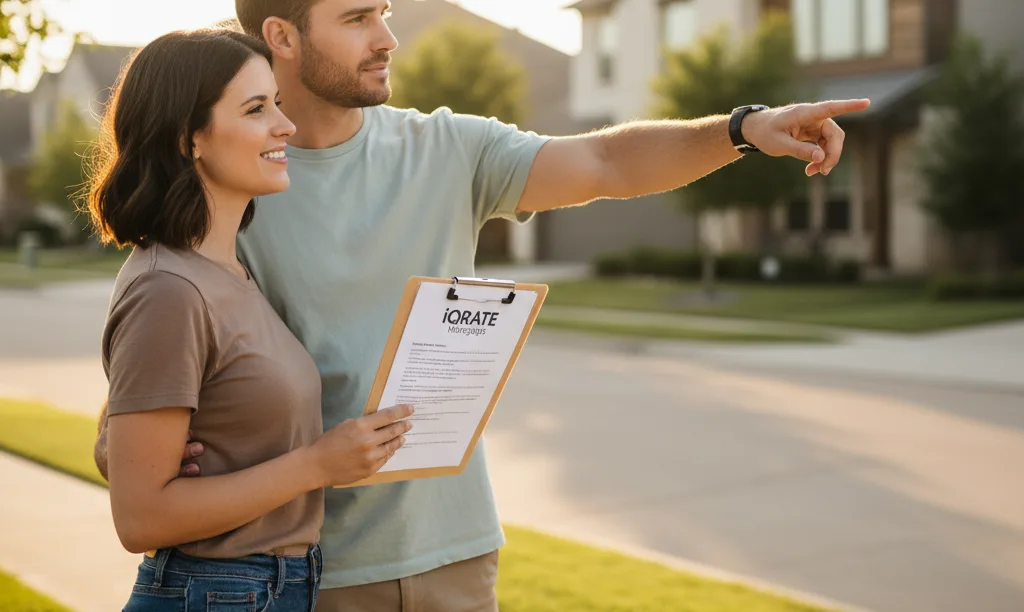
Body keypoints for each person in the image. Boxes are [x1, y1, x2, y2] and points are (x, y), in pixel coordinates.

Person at [93, 1, 871, 609]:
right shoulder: (238, 178)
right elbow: (171, 344)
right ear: (282, 35)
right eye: (359, 18)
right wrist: (129, 446)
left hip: (456, 551)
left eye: (386, 12)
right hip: (312, 570)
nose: (388, 36)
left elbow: (603, 160)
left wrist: (742, 128)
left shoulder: (446, 147)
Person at [86, 28, 413, 611]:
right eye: (257, 109)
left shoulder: (227, 270)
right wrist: (317, 464)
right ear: (189, 137)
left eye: (277, 104)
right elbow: (140, 518)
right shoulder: (170, 286)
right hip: (218, 593)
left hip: (271, 588)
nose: (284, 126)